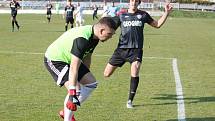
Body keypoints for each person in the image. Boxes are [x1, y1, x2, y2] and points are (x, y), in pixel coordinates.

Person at [44, 17, 117, 121]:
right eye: (109, 34)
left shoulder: (95, 37)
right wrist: (72, 93)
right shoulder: (82, 39)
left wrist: (84, 74)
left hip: (70, 58)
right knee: (76, 89)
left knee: (91, 83)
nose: (110, 37)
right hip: (55, 59)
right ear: (101, 31)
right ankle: (67, 118)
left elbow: (87, 56)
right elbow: (74, 67)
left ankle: (66, 112)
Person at [104, 0, 173, 108]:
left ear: (138, 3)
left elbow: (157, 24)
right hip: (121, 50)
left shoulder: (143, 15)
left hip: (136, 50)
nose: (134, 3)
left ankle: (130, 101)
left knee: (135, 70)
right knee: (106, 74)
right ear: (129, 2)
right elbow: (110, 26)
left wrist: (166, 13)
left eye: (136, 1)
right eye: (132, 1)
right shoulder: (121, 15)